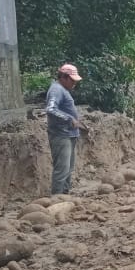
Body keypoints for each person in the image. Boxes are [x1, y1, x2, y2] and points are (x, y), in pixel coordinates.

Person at [46, 63, 88, 195]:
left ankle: (64, 195)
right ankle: (57, 198)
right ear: (63, 77)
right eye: (72, 80)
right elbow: (50, 109)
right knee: (62, 169)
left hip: (69, 134)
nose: (74, 84)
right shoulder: (56, 90)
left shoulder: (63, 90)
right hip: (61, 135)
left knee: (68, 168)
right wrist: (69, 119)